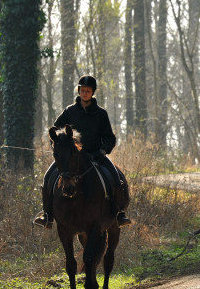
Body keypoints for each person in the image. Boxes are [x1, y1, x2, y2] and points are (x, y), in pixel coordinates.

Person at [33, 75, 131, 228]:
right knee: (47, 178)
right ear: (78, 91)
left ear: (93, 92)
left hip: (95, 156)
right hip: (70, 157)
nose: (84, 93)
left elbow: (110, 138)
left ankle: (119, 213)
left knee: (115, 177)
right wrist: (60, 149)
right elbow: (56, 132)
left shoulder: (101, 113)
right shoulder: (69, 111)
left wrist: (103, 151)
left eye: (88, 91)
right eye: (82, 90)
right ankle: (47, 215)